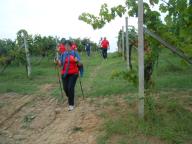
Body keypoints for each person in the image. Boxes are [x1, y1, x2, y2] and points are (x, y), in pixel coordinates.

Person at [56, 40, 81, 111]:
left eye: (67, 46)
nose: (66, 47)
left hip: (74, 73)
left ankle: (71, 104)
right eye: (65, 46)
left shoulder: (75, 53)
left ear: (71, 46)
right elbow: (60, 64)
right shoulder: (63, 54)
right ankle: (70, 96)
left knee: (70, 88)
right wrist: (57, 62)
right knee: (65, 88)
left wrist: (77, 61)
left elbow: (80, 64)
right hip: (64, 74)